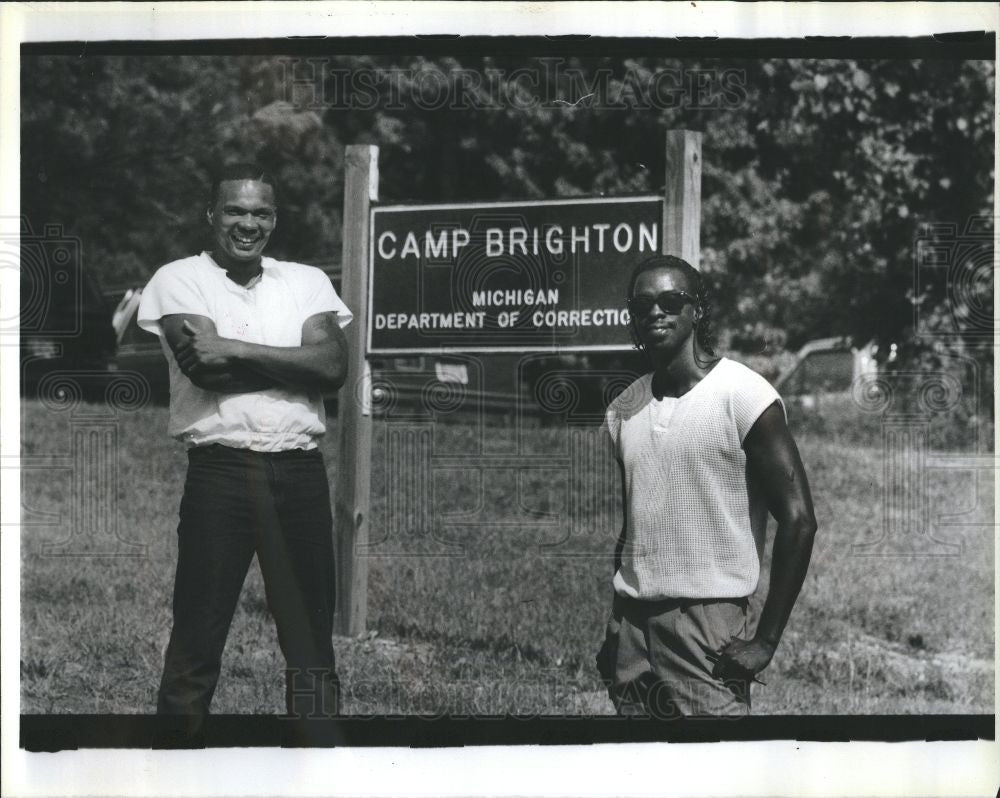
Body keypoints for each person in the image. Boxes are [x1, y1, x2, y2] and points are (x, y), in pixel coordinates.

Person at [138, 163, 351, 744]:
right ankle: (175, 768)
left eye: (260, 213)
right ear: (212, 215)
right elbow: (204, 369)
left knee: (310, 644)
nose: (247, 224)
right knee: (197, 640)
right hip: (223, 473)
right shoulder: (180, 278)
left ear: (274, 220)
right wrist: (292, 362)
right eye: (235, 211)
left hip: (300, 473)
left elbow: (332, 367)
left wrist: (232, 343)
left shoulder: (305, 281)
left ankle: (316, 768)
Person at [596, 254, 817, 718]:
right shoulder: (624, 408)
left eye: (671, 300)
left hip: (707, 624)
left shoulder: (744, 395)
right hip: (634, 629)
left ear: (697, 310)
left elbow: (798, 519)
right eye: (642, 305)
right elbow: (634, 525)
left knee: (721, 773)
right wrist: (616, 626)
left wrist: (766, 641)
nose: (656, 312)